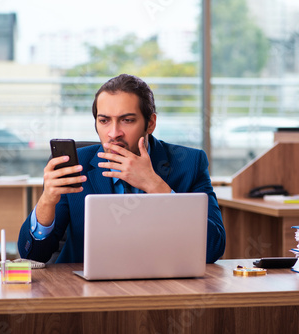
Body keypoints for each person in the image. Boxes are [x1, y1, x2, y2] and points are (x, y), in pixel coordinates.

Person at [18, 74, 226, 264]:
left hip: (163, 289)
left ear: (150, 123)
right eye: (104, 121)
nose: (114, 133)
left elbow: (213, 249)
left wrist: (155, 186)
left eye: (127, 120)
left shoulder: (190, 163)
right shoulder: (75, 165)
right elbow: (33, 256)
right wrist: (47, 201)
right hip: (83, 293)